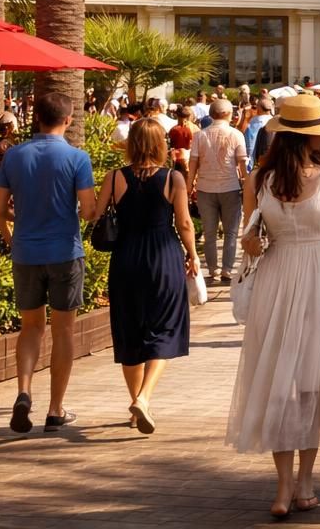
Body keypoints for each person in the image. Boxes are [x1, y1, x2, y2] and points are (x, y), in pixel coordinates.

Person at [229, 94, 320, 519]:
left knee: (281, 379)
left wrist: (254, 240)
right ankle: (304, 482)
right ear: (314, 135)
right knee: (310, 379)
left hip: (277, 277)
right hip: (319, 277)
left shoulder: (259, 180)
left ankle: (283, 488)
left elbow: (251, 238)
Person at [0, 92, 96, 432]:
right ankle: (55, 409)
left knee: (30, 327)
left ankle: (23, 392)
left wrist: (16, 226)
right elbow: (88, 209)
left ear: (36, 118)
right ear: (68, 120)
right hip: (65, 252)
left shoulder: (14, 156)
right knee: (63, 330)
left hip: (26, 252)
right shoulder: (77, 158)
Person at [93, 117, 197, 433]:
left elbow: (96, 216)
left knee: (129, 329)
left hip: (125, 256)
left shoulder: (113, 178)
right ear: (160, 145)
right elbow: (184, 224)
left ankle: (137, 405)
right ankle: (144, 397)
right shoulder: (172, 179)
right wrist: (192, 254)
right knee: (165, 327)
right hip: (163, 255)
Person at [190, 99, 250, 285]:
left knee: (210, 232)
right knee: (231, 232)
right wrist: (247, 187)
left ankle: (213, 270)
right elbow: (242, 164)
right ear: (229, 115)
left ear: (211, 114)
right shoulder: (236, 134)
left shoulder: (200, 136)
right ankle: (226, 270)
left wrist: (189, 184)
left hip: (205, 188)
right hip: (230, 187)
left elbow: (193, 163)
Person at [168, 104, 197, 182]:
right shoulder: (191, 129)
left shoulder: (173, 129)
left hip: (176, 155)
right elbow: (190, 143)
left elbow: (171, 143)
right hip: (186, 155)